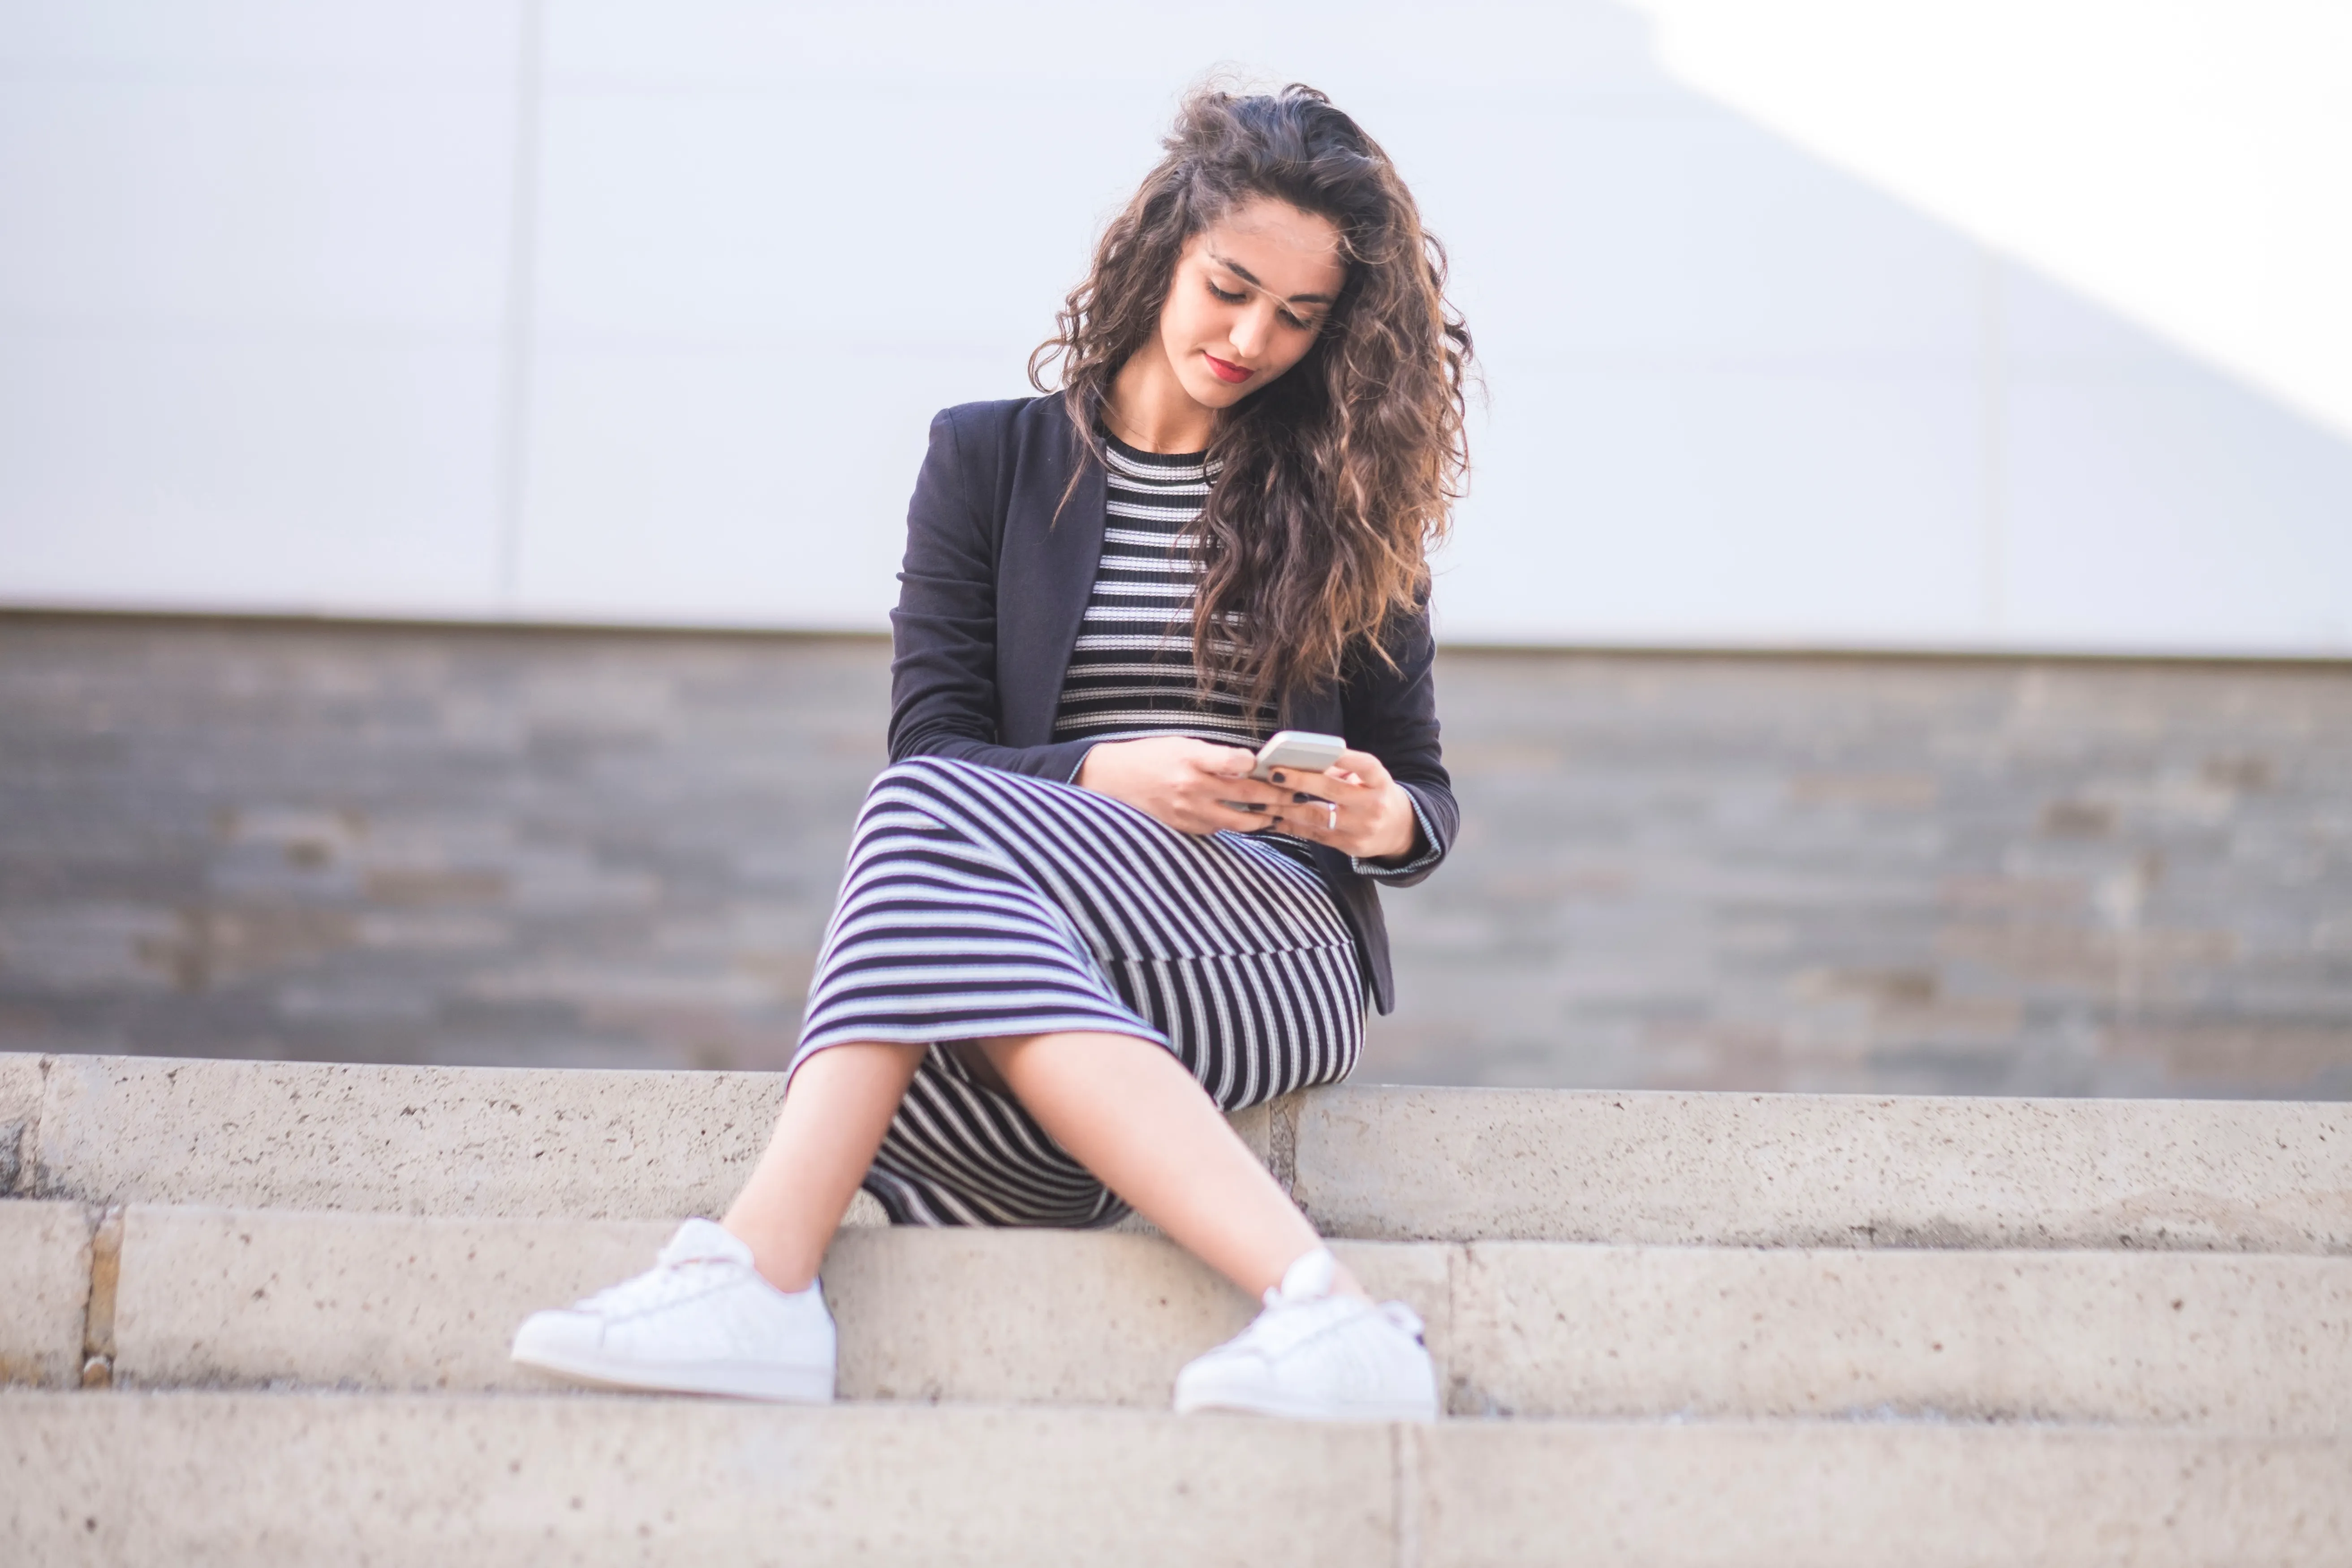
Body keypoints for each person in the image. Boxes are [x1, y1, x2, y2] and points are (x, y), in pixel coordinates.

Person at [512, 82, 1470, 1422]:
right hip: (1063, 940)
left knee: (915, 834)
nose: (1253, 337)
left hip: (1267, 940)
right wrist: (1104, 772)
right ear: (1161, 249)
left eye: (1298, 318)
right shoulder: (989, 462)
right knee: (923, 826)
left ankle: (758, 1279)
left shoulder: (1348, 505)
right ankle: (1326, 1312)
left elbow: (1423, 790)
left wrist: (1383, 820)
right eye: (1229, 287)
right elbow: (935, 743)